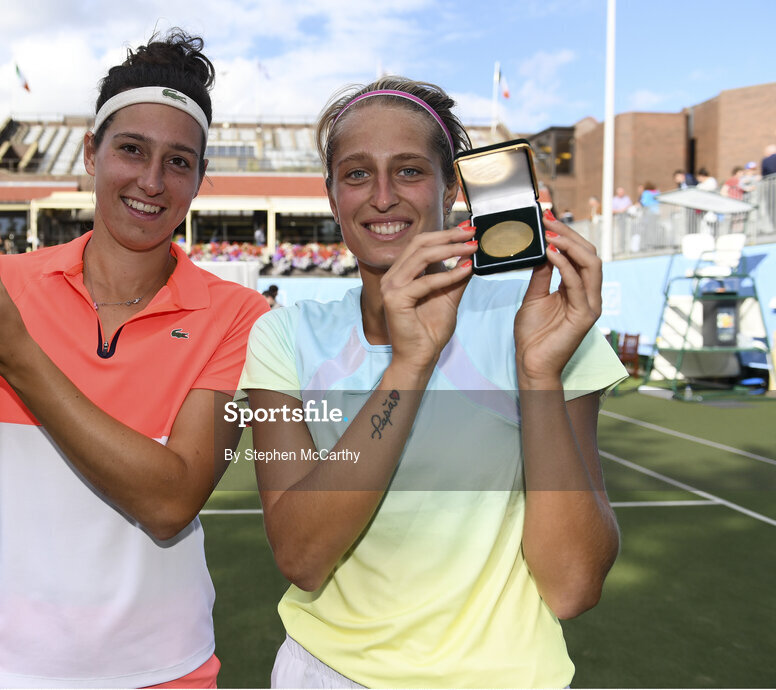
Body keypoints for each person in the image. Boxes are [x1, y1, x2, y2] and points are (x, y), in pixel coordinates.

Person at [0, 30, 268, 689]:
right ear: (93, 154)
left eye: (179, 162)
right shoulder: (2, 287)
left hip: (162, 668)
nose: (151, 181)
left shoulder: (240, 317)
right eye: (131, 150)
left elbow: (171, 500)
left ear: (199, 180)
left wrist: (11, 351)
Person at [238, 77, 627, 688]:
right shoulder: (282, 338)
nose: (384, 196)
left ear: (453, 189)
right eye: (358, 173)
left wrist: (539, 376)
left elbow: (574, 584)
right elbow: (301, 556)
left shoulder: (539, 322)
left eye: (411, 171)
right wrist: (409, 365)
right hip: (327, 673)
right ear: (332, 195)